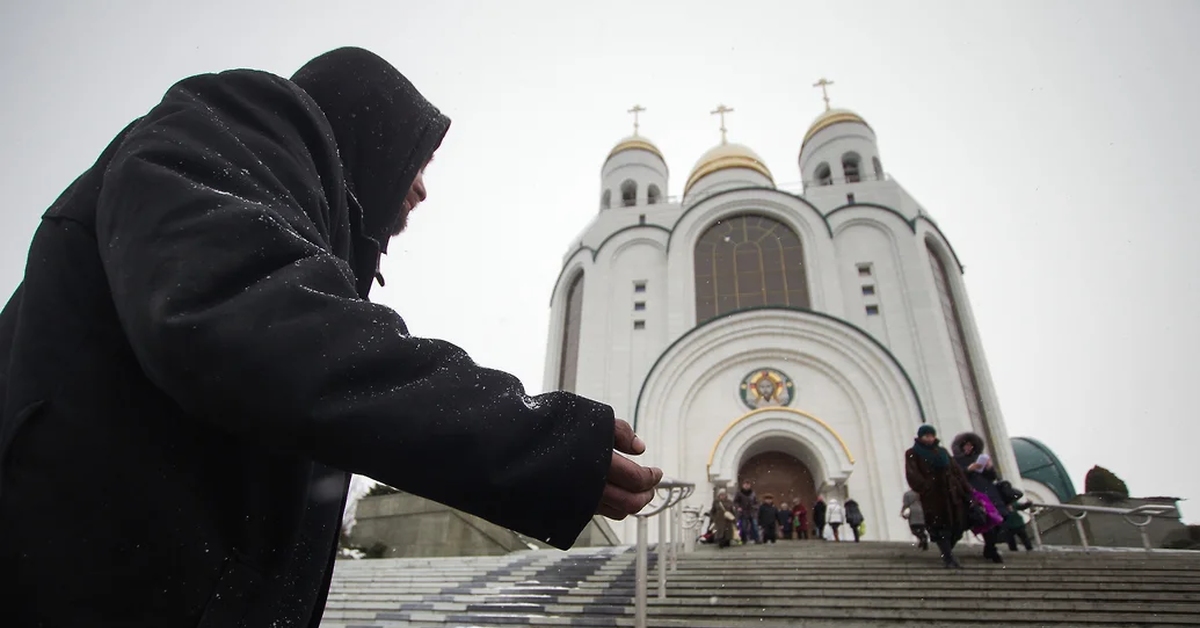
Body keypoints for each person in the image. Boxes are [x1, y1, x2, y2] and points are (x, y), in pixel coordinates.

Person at [0, 48, 662, 627]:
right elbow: (244, 325)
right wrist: (538, 441)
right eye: (418, 159)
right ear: (366, 128)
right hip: (94, 582)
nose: (424, 190)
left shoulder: (288, 229)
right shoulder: (232, 123)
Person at [905, 425, 974, 568]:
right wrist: (926, 487)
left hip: (952, 494)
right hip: (933, 497)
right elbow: (912, 474)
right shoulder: (912, 453)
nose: (930, 439)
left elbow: (956, 471)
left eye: (932, 435)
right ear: (920, 437)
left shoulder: (942, 452)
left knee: (957, 525)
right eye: (926, 436)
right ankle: (948, 557)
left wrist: (967, 489)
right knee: (940, 527)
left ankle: (948, 554)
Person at [953, 432, 1006, 564]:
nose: (968, 448)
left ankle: (990, 548)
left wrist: (989, 467)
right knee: (980, 520)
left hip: (988, 493)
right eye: (966, 445)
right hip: (971, 494)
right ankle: (947, 550)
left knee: (996, 521)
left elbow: (993, 477)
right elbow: (955, 477)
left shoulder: (979, 458)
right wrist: (968, 469)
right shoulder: (956, 461)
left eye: (971, 445)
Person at [734, 480, 760, 544]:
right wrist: (738, 507)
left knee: (755, 526)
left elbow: (756, 502)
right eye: (745, 484)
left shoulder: (753, 493)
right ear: (743, 485)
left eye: (748, 484)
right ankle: (743, 539)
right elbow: (735, 502)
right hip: (743, 512)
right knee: (743, 526)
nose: (746, 486)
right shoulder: (739, 493)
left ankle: (756, 539)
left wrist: (755, 507)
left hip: (752, 512)